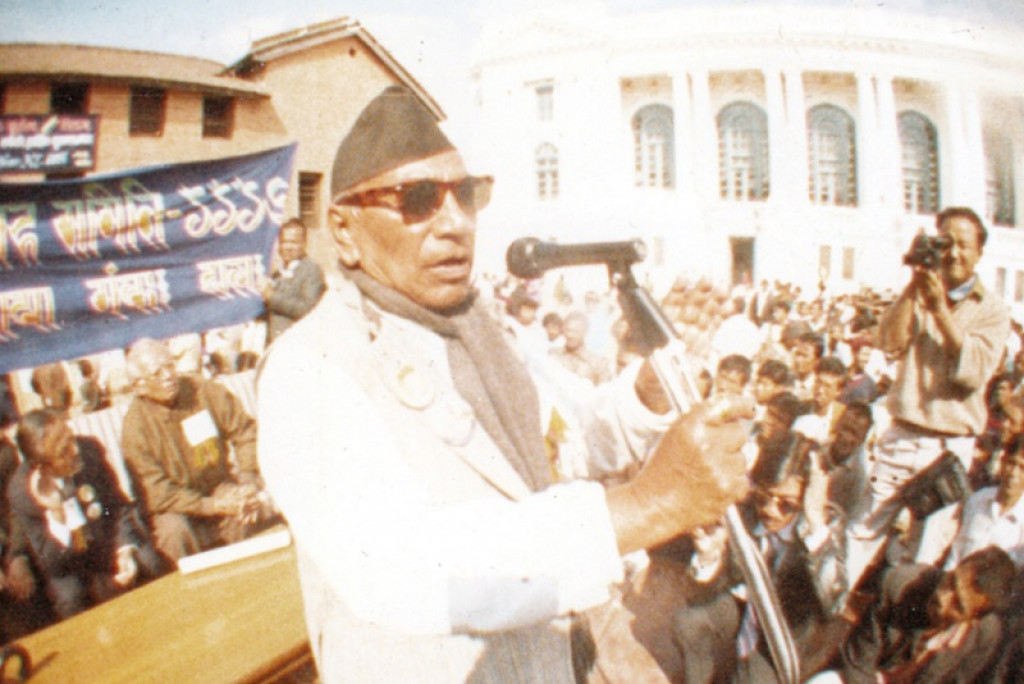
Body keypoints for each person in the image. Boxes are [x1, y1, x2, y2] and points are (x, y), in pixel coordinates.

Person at [256, 84, 749, 683]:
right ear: (344, 230)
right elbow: (395, 565)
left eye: (467, 195)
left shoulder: (485, 334)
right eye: (417, 199)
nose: (456, 223)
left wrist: (643, 394)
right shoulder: (308, 366)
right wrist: (645, 506)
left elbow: (570, 444)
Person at [852, 208, 1010, 542]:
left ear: (979, 252)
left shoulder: (993, 309)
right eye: (945, 243)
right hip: (902, 436)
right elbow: (887, 342)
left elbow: (972, 374)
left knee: (925, 551)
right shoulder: (919, 292)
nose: (953, 253)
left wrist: (939, 311)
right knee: (861, 536)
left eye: (963, 245)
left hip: (948, 447)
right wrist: (913, 286)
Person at [672, 431, 847, 683]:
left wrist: (816, 523)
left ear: (808, 498)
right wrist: (708, 557)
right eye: (764, 497)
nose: (770, 511)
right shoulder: (746, 510)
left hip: (784, 637)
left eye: (786, 504)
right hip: (747, 609)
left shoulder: (827, 522)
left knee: (748, 679)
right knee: (689, 623)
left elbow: (835, 600)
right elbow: (700, 595)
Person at [120, 338, 276, 562]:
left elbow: (244, 431)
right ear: (139, 386)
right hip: (175, 507)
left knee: (244, 508)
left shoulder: (201, 389)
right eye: (157, 373)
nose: (168, 376)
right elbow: (158, 494)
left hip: (217, 485)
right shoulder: (135, 430)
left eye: (170, 366)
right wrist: (213, 506)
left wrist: (248, 478)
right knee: (174, 533)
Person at [8, 409, 169, 619]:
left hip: (109, 546)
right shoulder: (22, 493)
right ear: (41, 465)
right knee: (70, 599)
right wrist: (56, 514)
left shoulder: (89, 450)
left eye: (70, 438)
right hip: (72, 569)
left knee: (149, 559)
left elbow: (117, 506)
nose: (74, 450)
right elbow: (53, 565)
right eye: (63, 451)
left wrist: (124, 548)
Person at [821, 546, 1015, 683]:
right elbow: (859, 666)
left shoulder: (986, 635)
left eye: (958, 606)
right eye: (950, 582)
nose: (943, 598)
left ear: (974, 620)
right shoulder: (900, 584)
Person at [261, 217, 326, 345]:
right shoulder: (276, 275)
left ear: (304, 244)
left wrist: (272, 297)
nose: (288, 247)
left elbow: (308, 310)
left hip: (297, 345)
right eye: (284, 242)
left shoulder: (311, 270)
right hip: (275, 346)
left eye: (294, 242)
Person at [550, 310, 614, 386]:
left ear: (585, 332)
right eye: (568, 330)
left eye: (575, 331)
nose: (570, 335)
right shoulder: (552, 356)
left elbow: (605, 392)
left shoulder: (598, 363)